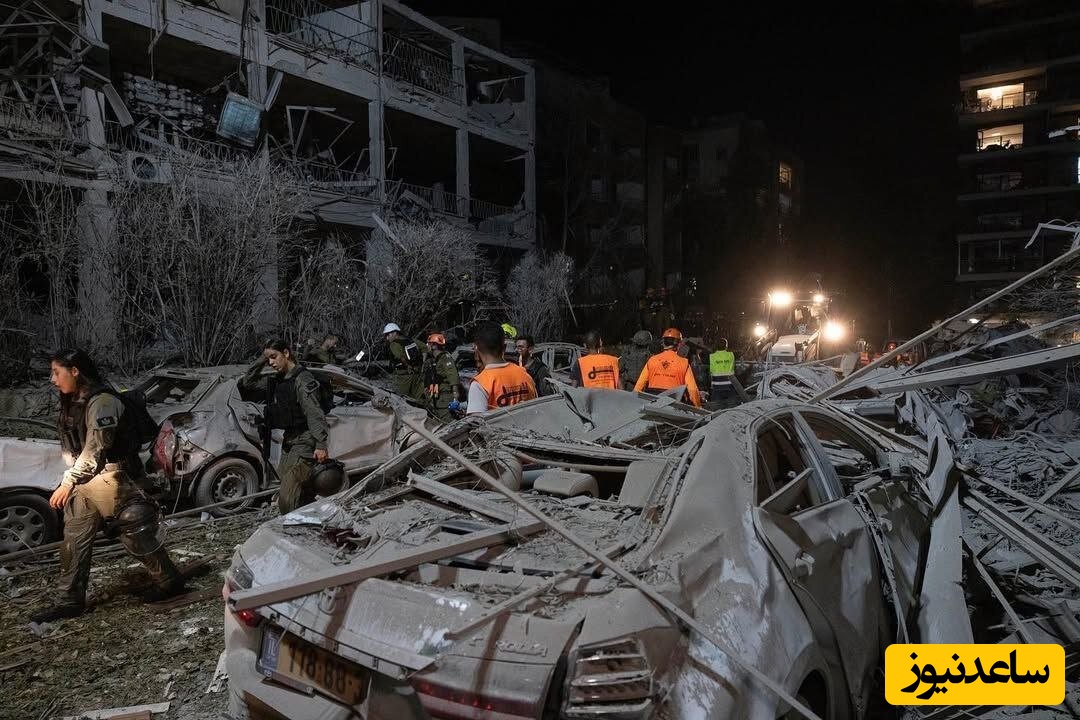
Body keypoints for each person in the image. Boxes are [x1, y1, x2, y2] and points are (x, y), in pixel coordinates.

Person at [31, 349, 185, 622]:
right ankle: (69, 600)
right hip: (87, 483)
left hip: (116, 480)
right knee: (73, 542)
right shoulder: (75, 403)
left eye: (57, 372)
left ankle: (169, 581)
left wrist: (68, 481)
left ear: (75, 371)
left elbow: (95, 450)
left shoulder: (102, 402)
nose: (53, 380)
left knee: (136, 533)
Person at [238, 338, 329, 514]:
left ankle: (293, 524)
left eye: (274, 357)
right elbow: (247, 382)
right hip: (290, 440)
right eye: (268, 359)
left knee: (287, 497)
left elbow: (314, 413)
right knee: (295, 488)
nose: (271, 362)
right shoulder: (278, 379)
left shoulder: (302, 379)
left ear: (286, 353)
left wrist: (321, 444)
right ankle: (306, 520)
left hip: (305, 440)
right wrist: (263, 359)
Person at [467, 321, 536, 414]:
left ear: (476, 348)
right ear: (504, 347)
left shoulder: (480, 384)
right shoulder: (525, 374)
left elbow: (476, 425)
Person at [633, 327, 702, 407]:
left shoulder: (652, 360)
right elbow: (692, 390)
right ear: (679, 344)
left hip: (653, 405)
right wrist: (698, 407)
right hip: (674, 407)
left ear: (663, 343)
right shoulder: (684, 363)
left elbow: (639, 386)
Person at [383, 322, 425, 401]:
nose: (387, 338)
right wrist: (422, 366)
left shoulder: (394, 344)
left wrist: (408, 366)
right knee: (418, 398)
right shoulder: (412, 340)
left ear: (395, 333)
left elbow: (401, 357)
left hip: (403, 376)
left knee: (401, 399)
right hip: (417, 374)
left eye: (388, 335)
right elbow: (426, 349)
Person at [423, 333, 459, 421]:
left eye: (429, 343)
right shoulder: (434, 360)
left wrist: (455, 398)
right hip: (436, 398)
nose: (427, 346)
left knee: (448, 423)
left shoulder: (445, 359)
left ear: (434, 345)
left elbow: (453, 377)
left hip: (444, 399)